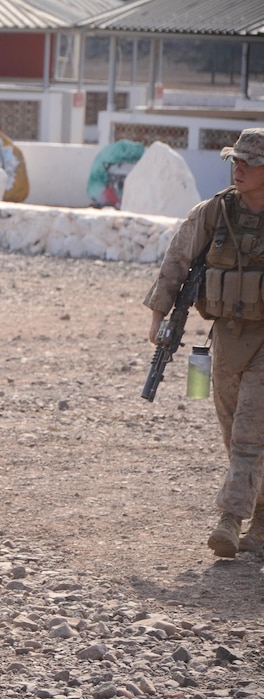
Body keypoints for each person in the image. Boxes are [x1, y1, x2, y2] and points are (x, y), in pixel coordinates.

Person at [144, 127, 264, 558]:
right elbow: (176, 261)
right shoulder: (213, 213)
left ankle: (230, 520)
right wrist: (158, 317)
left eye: (250, 162)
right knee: (234, 434)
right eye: (236, 160)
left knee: (251, 434)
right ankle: (261, 513)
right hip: (227, 338)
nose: (240, 168)